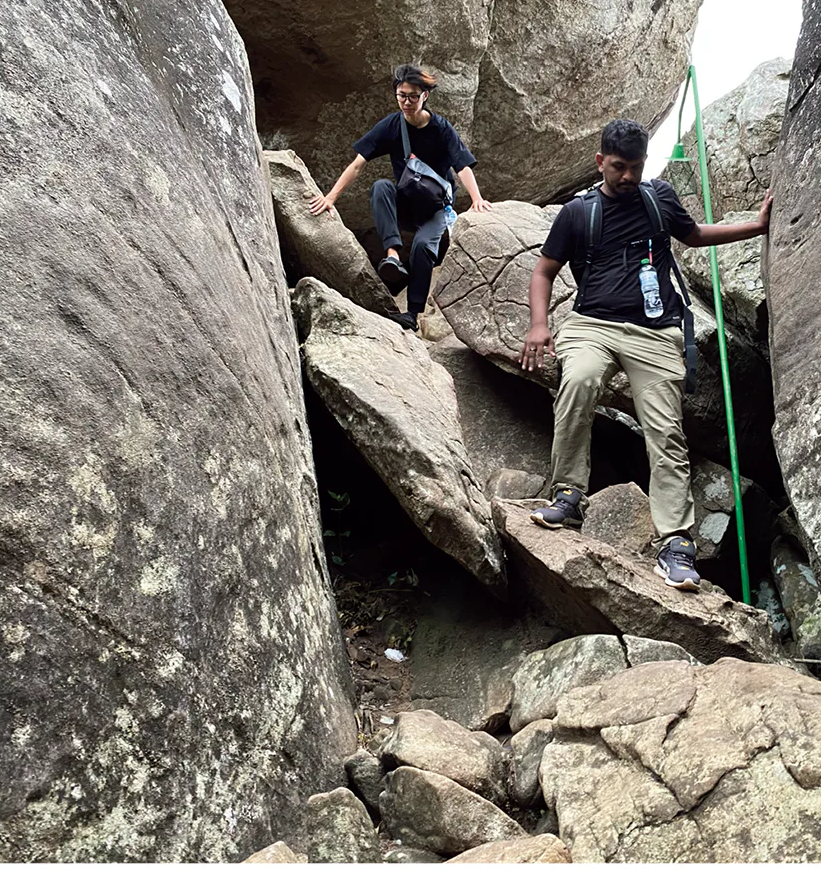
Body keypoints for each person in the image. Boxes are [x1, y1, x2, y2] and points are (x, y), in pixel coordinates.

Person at [518, 118, 772, 591]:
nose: (629, 177)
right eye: (619, 167)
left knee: (665, 430)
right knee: (579, 382)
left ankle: (676, 545)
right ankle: (568, 494)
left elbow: (693, 235)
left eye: (636, 167)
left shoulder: (658, 199)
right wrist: (538, 325)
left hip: (655, 333)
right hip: (593, 325)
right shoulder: (578, 214)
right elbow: (543, 272)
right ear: (600, 162)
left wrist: (755, 227)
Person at [308, 63, 493, 330]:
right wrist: (331, 197)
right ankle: (392, 256)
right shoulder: (392, 125)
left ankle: (413, 315)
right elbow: (358, 164)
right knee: (381, 186)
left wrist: (476, 199)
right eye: (402, 95)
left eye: (413, 96)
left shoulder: (441, 128)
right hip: (406, 204)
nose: (407, 102)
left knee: (421, 247)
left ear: (425, 96)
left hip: (436, 209)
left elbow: (461, 165)